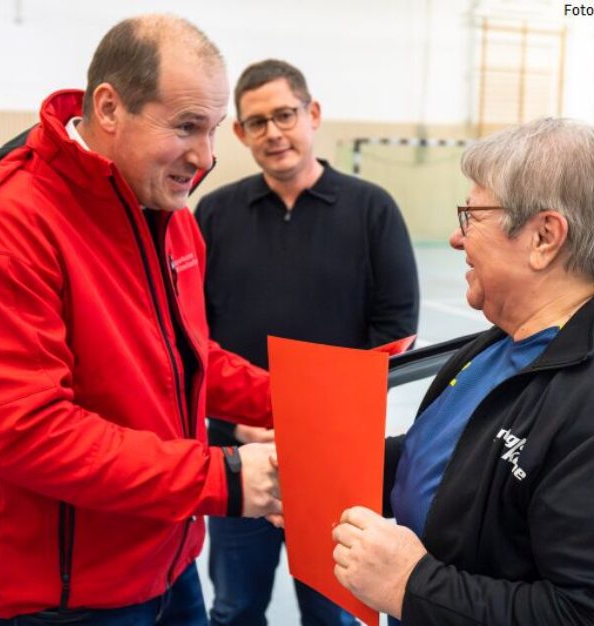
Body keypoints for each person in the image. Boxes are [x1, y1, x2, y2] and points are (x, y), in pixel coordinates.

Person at [0, 14, 283, 625]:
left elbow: (184, 356)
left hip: (167, 568)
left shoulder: (165, 209)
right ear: (110, 108)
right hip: (58, 603)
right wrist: (220, 478)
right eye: (187, 127)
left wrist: (292, 398)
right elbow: (32, 433)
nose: (207, 156)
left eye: (214, 129)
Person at [331, 118, 594, 625]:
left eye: (472, 215)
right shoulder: (512, 341)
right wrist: (328, 469)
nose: (456, 236)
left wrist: (413, 586)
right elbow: (455, 456)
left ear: (544, 236)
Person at [194, 59, 419, 625]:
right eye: (257, 122)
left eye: (285, 115)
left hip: (337, 462)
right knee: (234, 607)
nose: (274, 132)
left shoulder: (373, 210)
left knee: (335, 612)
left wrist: (316, 427)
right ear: (240, 134)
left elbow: (395, 336)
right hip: (238, 454)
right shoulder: (215, 214)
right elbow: (192, 334)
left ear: (312, 115)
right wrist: (248, 420)